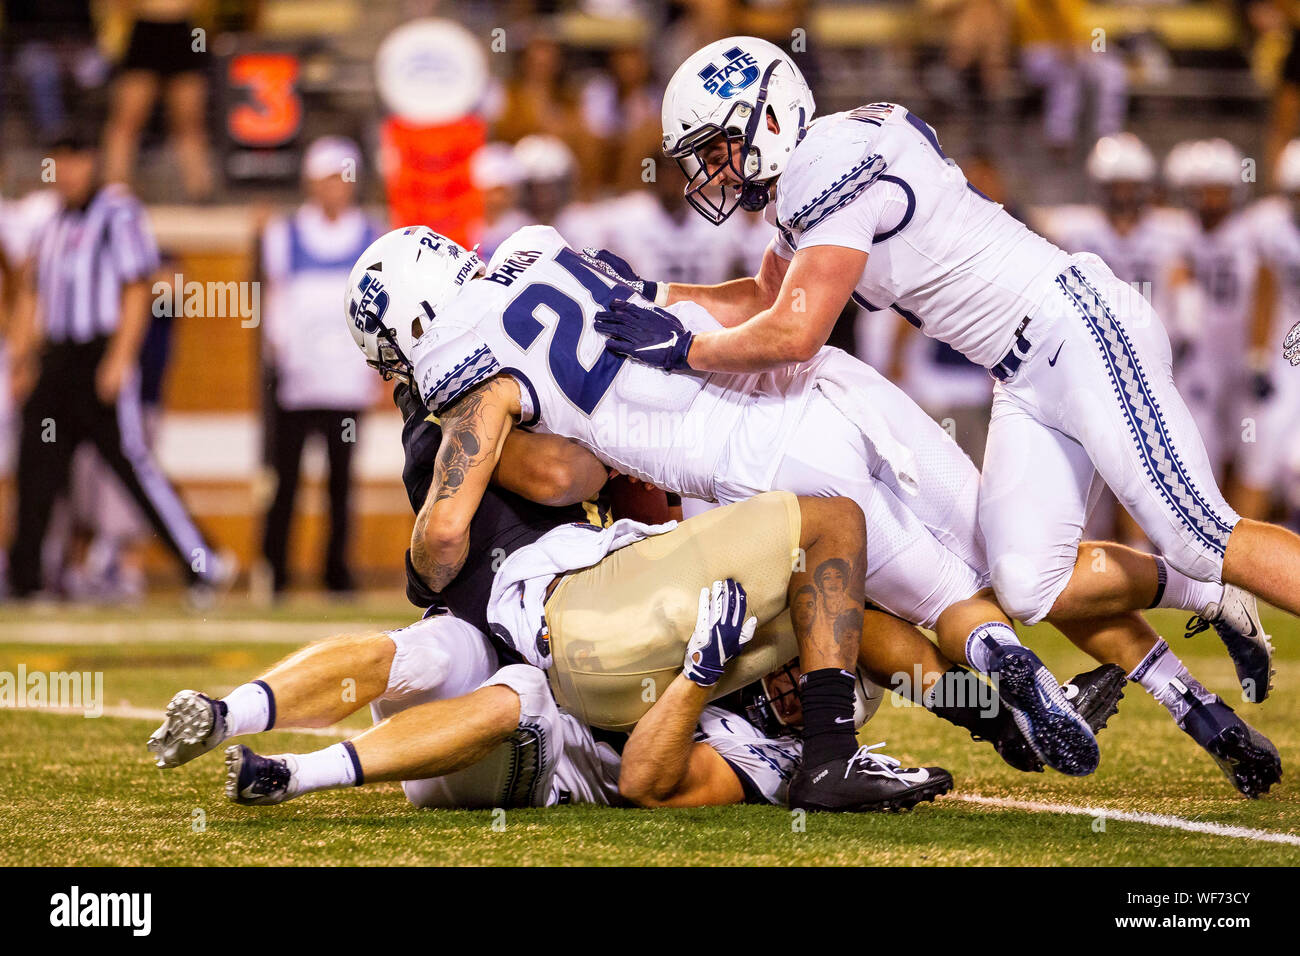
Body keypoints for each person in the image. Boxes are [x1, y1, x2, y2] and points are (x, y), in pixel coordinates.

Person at [584, 38, 1283, 784]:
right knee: (1025, 583)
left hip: (1074, 327)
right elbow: (764, 300)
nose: (715, 171)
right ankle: (1207, 599)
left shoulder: (826, 161)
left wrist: (681, 351)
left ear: (770, 116)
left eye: (720, 147)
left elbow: (796, 332)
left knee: (1201, 531)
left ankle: (1209, 581)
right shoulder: (819, 170)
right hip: (1021, 372)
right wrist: (657, 299)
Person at [347, 224, 1112, 786]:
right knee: (844, 541)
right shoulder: (535, 260)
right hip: (591, 615)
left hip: (604, 613)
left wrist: (429, 575)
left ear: (413, 333)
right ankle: (853, 750)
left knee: (836, 586)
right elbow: (560, 478)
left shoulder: (461, 377)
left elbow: (463, 526)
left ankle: (980, 726)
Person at [5, 131, 228, 601]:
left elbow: (137, 286)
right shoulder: (51, 224)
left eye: (74, 161)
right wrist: (23, 358)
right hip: (58, 360)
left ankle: (203, 562)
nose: (65, 173)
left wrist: (119, 359)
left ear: (92, 163)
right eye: (58, 163)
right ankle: (26, 579)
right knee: (36, 466)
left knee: (133, 469)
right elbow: (32, 293)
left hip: (99, 355)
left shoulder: (117, 212)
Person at [258, 137, 384, 597]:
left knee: (340, 483)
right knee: (284, 480)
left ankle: (337, 573)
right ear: (312, 183)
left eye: (341, 179)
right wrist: (282, 357)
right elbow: (274, 300)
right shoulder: (283, 232)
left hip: (347, 383)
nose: (335, 189)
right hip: (297, 382)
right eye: (326, 179)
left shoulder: (372, 234)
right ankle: (275, 571)